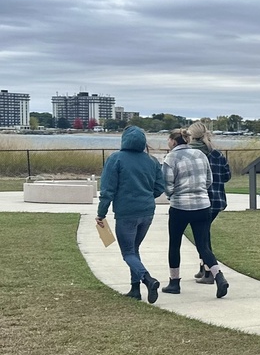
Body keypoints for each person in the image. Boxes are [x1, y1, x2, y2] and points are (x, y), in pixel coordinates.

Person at [95, 126, 165, 303]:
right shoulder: (152, 161)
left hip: (126, 213)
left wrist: (101, 213)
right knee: (134, 250)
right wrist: (146, 196)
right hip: (147, 212)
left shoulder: (116, 159)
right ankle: (135, 289)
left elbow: (107, 190)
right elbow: (159, 188)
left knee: (127, 252)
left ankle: (148, 280)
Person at [162, 129, 228, 298]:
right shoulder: (200, 154)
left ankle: (174, 282)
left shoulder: (170, 158)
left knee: (174, 244)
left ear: (174, 142)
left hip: (180, 207)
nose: (167, 143)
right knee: (203, 245)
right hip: (203, 205)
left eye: (168, 140)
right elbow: (209, 180)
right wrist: (199, 192)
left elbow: (167, 184)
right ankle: (219, 277)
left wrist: (172, 195)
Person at [186, 121, 231, 285]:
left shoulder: (190, 153)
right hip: (217, 200)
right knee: (204, 234)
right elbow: (227, 176)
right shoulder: (216, 154)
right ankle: (203, 266)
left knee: (202, 238)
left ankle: (210, 272)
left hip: (199, 201)